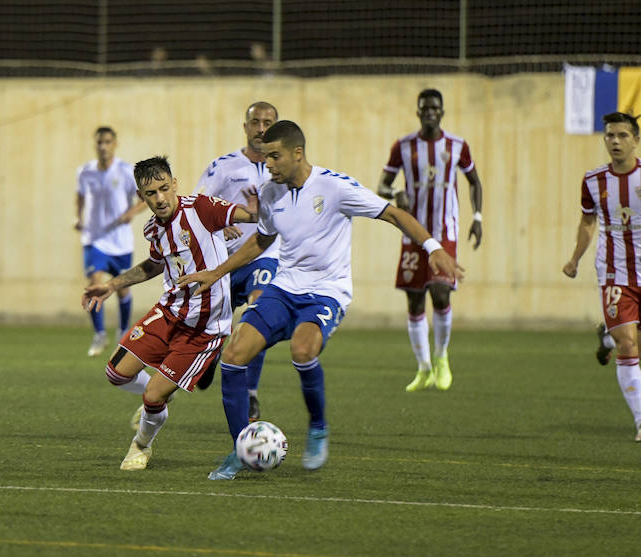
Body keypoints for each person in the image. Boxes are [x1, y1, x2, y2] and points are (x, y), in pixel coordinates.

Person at [179, 120, 462, 479]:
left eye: (275, 156)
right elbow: (262, 240)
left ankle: (317, 427)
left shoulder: (335, 187)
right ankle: (240, 448)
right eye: (266, 157)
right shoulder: (270, 192)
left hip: (326, 292)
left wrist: (433, 248)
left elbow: (393, 213)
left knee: (302, 350)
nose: (268, 164)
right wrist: (217, 272)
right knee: (234, 356)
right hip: (284, 288)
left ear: (297, 153)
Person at [82, 156, 258, 472]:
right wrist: (113, 284)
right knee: (116, 374)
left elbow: (250, 216)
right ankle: (165, 388)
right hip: (169, 312)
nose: (160, 198)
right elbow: (154, 265)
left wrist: (256, 210)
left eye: (164, 188)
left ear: (174, 184)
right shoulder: (154, 229)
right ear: (141, 196)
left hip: (205, 328)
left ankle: (141, 445)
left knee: (152, 397)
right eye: (151, 193)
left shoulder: (201, 208)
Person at [562, 111, 641, 443]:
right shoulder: (593, 180)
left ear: (636, 140)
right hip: (613, 273)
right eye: (610, 135)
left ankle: (607, 339)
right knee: (629, 345)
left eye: (622, 135)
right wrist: (575, 258)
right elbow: (587, 222)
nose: (615, 141)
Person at [377, 89, 483, 392]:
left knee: (440, 294)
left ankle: (441, 357)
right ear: (418, 112)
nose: (430, 113)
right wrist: (396, 193)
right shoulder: (403, 146)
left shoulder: (457, 145)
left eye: (435, 108)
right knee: (414, 299)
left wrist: (478, 218)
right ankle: (423, 368)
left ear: (442, 112)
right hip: (412, 232)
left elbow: (474, 182)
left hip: (445, 232)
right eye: (425, 108)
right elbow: (382, 184)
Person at [196, 101, 281, 421]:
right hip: (225, 262)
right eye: (255, 122)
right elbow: (198, 205)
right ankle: (212, 354)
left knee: (259, 313)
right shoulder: (223, 166)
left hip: (265, 256)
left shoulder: (283, 170)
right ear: (245, 127)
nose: (261, 129)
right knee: (212, 327)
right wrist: (219, 222)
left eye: (267, 123)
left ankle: (251, 392)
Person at [75, 127, 146, 357]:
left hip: (120, 242)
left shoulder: (126, 171)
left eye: (107, 142)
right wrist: (78, 217)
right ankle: (99, 334)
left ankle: (123, 332)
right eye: (100, 142)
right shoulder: (85, 172)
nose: (103, 146)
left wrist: (132, 212)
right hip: (94, 239)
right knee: (95, 283)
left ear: (115, 144)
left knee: (122, 289)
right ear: (94, 145)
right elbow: (80, 196)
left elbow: (144, 198)